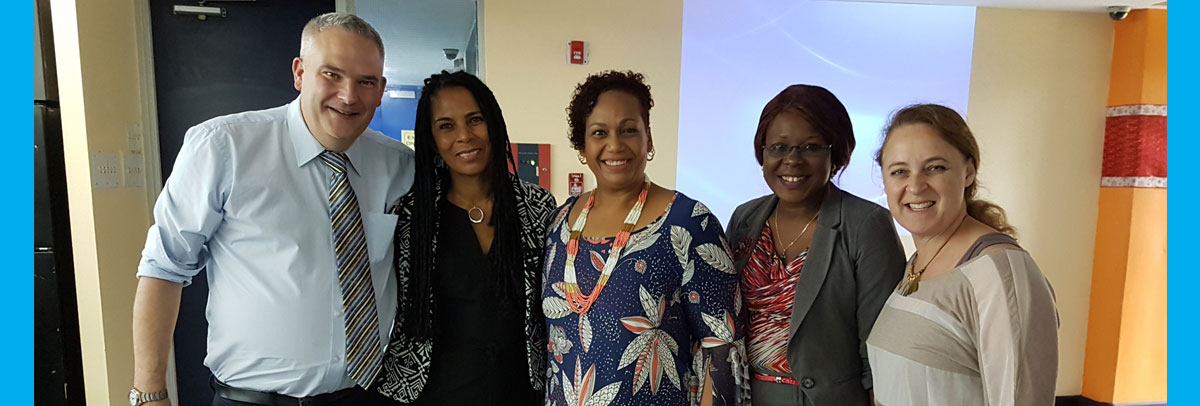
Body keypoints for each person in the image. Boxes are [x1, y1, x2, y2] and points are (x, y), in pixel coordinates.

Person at [131, 13, 412, 406]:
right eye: (331, 74)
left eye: (366, 82)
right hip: (252, 400)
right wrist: (149, 393)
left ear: (381, 89)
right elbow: (163, 268)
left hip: (364, 396)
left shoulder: (399, 165)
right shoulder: (223, 147)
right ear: (299, 73)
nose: (349, 96)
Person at [541, 70, 748, 406]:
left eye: (628, 130)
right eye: (599, 133)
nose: (615, 145)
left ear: (648, 138)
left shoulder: (689, 224)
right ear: (582, 144)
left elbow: (722, 352)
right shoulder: (559, 224)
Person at [374, 71, 557, 405]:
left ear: (495, 124)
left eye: (475, 120)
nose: (464, 136)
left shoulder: (538, 208)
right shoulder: (411, 217)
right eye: (446, 126)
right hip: (436, 393)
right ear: (430, 138)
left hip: (520, 393)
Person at [725, 85, 906, 405]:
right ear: (762, 153)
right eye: (778, 147)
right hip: (748, 397)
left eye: (810, 147)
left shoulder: (865, 224)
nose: (792, 160)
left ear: (835, 154)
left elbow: (879, 351)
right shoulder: (745, 218)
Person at [866, 104, 1058, 405]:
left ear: (968, 172)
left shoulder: (1000, 271)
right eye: (899, 171)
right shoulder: (916, 266)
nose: (915, 186)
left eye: (935, 167)